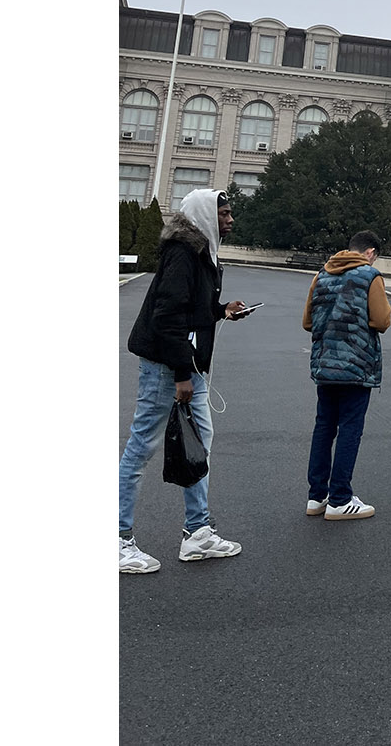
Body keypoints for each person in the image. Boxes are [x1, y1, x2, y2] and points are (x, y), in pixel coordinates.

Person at [119, 188, 254, 573]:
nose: (230, 220)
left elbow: (191, 309)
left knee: (199, 442)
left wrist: (220, 310)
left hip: (187, 364)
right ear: (205, 216)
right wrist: (181, 374)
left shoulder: (202, 252)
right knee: (141, 446)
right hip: (169, 365)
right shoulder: (183, 251)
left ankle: (197, 532)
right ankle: (117, 537)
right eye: (224, 214)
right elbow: (166, 316)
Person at [301, 230, 391, 521]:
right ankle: (340, 498)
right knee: (350, 429)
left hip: (325, 363)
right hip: (356, 364)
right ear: (370, 252)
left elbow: (307, 321)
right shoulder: (370, 275)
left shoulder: (322, 273)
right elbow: (382, 320)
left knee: (324, 427)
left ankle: (317, 496)